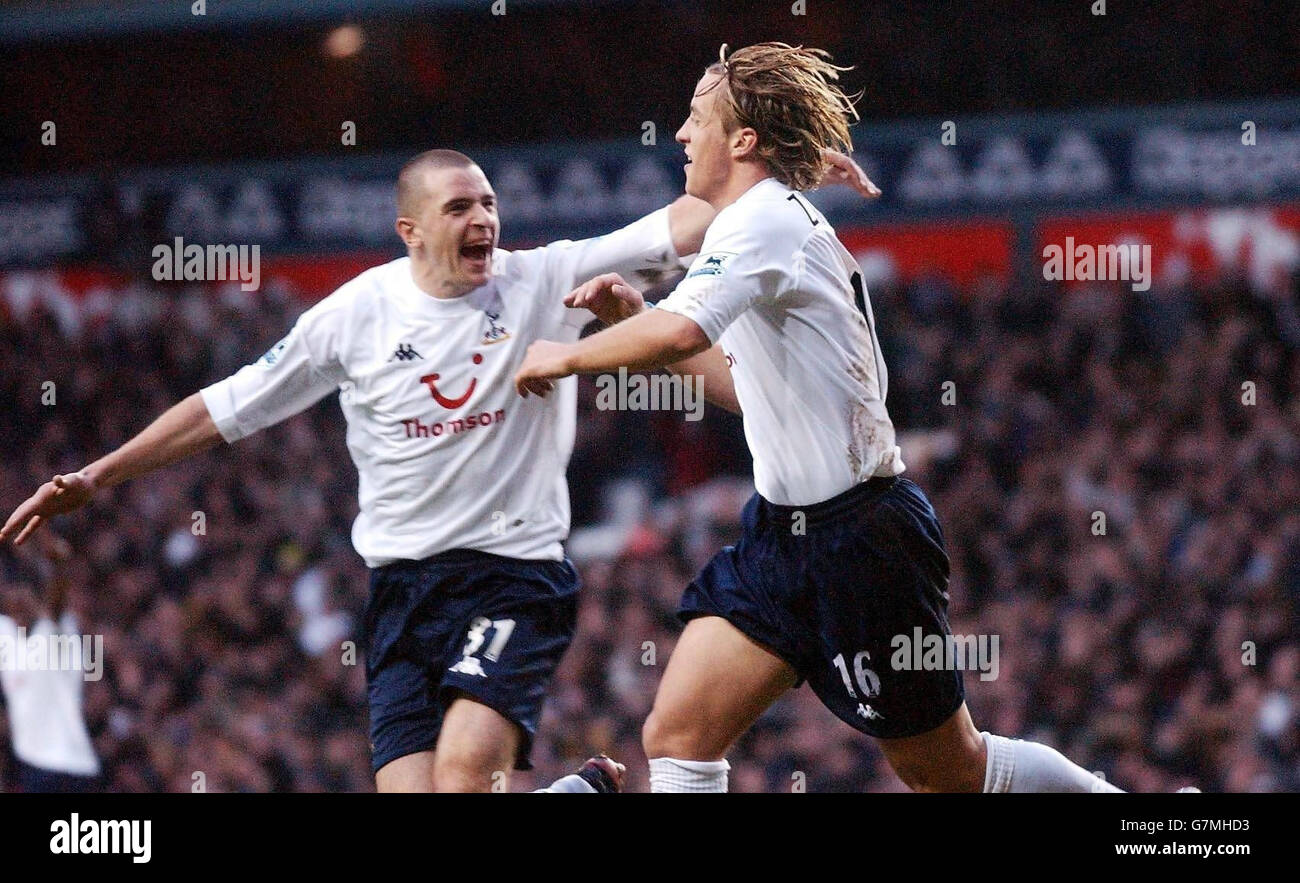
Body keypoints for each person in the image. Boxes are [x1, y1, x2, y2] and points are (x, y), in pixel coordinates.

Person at [3, 147, 875, 793]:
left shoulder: (541, 279)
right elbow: (224, 408)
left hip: (513, 581)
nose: (484, 221)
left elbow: (682, 224)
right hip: (399, 597)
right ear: (410, 229)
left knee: (464, 775)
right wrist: (98, 476)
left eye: (490, 203)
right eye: (461, 207)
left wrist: (783, 173)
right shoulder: (354, 314)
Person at [516, 42, 1141, 793]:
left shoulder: (764, 223)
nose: (679, 134)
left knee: (946, 768)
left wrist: (563, 357)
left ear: (742, 139)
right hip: (783, 536)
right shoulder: (749, 226)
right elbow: (745, 388)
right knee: (679, 733)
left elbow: (685, 333)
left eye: (695, 116)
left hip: (864, 542)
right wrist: (636, 318)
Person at [0, 532, 102, 793]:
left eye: (24, 602)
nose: (18, 607)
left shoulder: (56, 632)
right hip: (32, 764)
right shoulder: (8, 635)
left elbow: (56, 602)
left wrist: (59, 566)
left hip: (68, 763)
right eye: (12, 604)